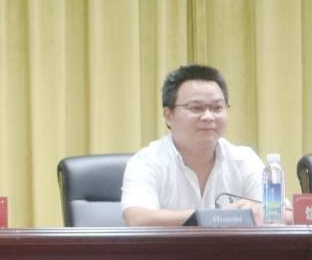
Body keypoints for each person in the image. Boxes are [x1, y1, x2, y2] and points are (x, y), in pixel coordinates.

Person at [122, 64, 285, 226]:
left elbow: (287, 215)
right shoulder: (147, 161)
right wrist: (217, 217)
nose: (208, 116)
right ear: (168, 115)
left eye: (217, 108)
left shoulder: (243, 159)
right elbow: (138, 219)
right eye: (196, 108)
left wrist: (257, 211)